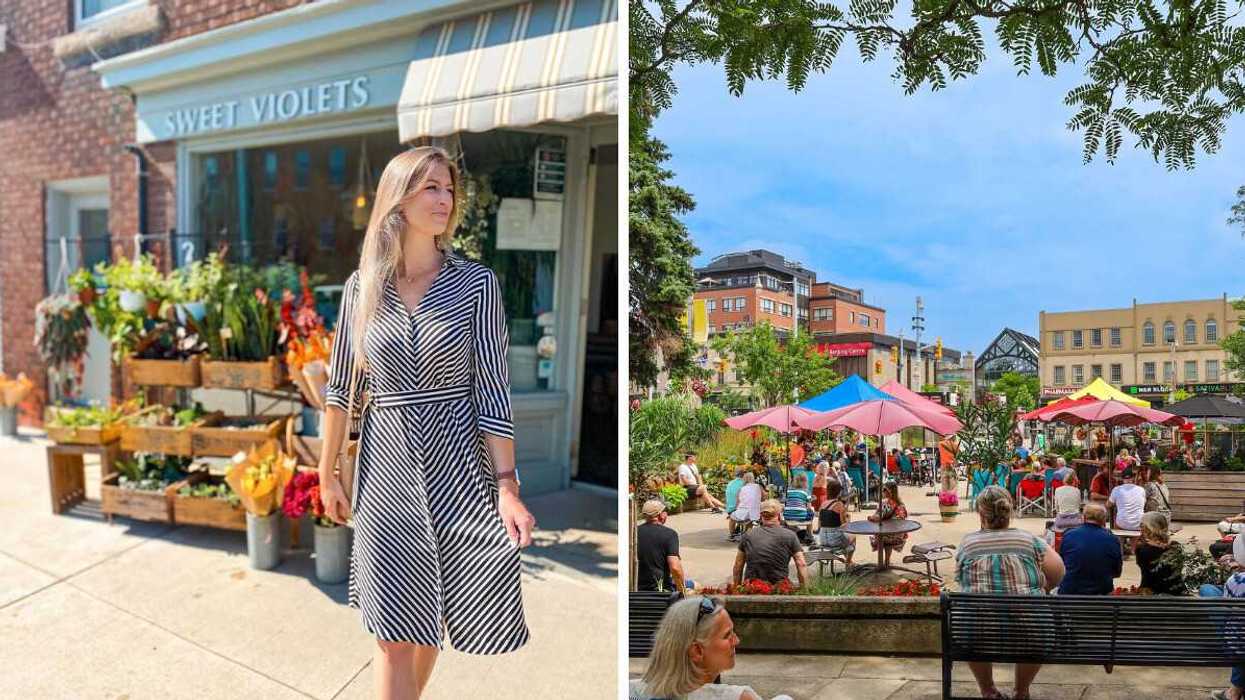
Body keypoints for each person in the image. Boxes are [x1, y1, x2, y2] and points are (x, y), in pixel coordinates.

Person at [316, 146, 534, 697]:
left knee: (434, 615)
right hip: (386, 471)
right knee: (393, 629)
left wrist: (507, 486)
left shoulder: (476, 284)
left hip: (459, 465)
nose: (444, 199)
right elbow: (340, 391)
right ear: (399, 195)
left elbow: (492, 389)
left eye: (449, 189)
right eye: (430, 187)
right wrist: (326, 474)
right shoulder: (361, 289)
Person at [955, 486, 1065, 700]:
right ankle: (1021, 691)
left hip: (976, 634)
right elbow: (1059, 571)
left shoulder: (968, 544)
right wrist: (1043, 589)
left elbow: (961, 579)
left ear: (980, 514)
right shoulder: (1029, 540)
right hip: (1030, 632)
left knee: (973, 625)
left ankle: (988, 690)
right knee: (1035, 627)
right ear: (1009, 510)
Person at [629, 596, 795, 700]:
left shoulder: (630, 690)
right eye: (727, 635)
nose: (736, 641)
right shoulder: (737, 697)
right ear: (697, 651)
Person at [1204, 536, 1245, 700]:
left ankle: (1234, 692)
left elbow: (1227, 608)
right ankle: (1235, 689)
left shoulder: (1236, 580)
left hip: (1238, 645)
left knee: (1238, 635)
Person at [733, 500, 809, 587]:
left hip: (752, 588)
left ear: (761, 516)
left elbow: (738, 565)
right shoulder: (790, 535)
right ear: (780, 515)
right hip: (779, 588)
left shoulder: (748, 535)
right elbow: (801, 564)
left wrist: (737, 588)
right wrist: (804, 590)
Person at [1057, 503, 1122, 595]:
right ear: (1103, 520)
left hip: (1070, 592)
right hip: (1101, 593)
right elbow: (1117, 572)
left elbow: (1062, 564)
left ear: (1083, 518)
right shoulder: (1112, 539)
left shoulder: (1069, 535)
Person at [637, 499, 689, 592]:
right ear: (661, 515)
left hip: (636, 588)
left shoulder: (633, 532)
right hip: (661, 590)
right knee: (695, 586)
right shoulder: (670, 534)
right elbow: (675, 567)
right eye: (665, 511)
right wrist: (682, 591)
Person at [1134, 511, 1184, 595]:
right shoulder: (1176, 547)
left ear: (1149, 528)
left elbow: (1145, 571)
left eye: (1142, 525)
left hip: (1152, 593)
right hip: (1176, 592)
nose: (1140, 528)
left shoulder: (1143, 549)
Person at [868, 482, 909, 568]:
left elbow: (877, 517)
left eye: (884, 490)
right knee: (886, 535)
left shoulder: (885, 503)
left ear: (889, 491)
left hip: (888, 535)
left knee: (880, 536)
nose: (882, 492)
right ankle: (887, 561)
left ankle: (881, 563)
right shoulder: (900, 503)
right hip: (899, 535)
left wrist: (871, 518)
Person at [816, 480, 856, 566]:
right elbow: (844, 526)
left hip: (822, 538)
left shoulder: (823, 504)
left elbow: (819, 524)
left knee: (845, 538)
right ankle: (848, 562)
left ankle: (848, 561)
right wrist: (848, 518)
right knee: (852, 537)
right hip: (834, 539)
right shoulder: (839, 505)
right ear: (839, 492)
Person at [1109, 467, 1147, 532]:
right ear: (1133, 478)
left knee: (1117, 519)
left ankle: (1120, 540)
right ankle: (1133, 542)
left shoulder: (1117, 489)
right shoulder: (1141, 489)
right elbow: (1144, 503)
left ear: (1122, 478)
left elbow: (1108, 505)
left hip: (1122, 524)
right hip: (1138, 524)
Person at [782, 472, 816, 540]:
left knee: (793, 510)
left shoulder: (789, 490)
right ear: (805, 481)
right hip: (801, 516)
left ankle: (794, 531)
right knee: (812, 511)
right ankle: (809, 535)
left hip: (787, 516)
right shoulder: (806, 491)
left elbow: (785, 502)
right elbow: (809, 507)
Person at [724, 468, 746, 539]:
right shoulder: (744, 484)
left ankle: (732, 534)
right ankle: (746, 534)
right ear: (744, 475)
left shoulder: (730, 483)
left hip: (730, 509)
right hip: (739, 509)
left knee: (732, 518)